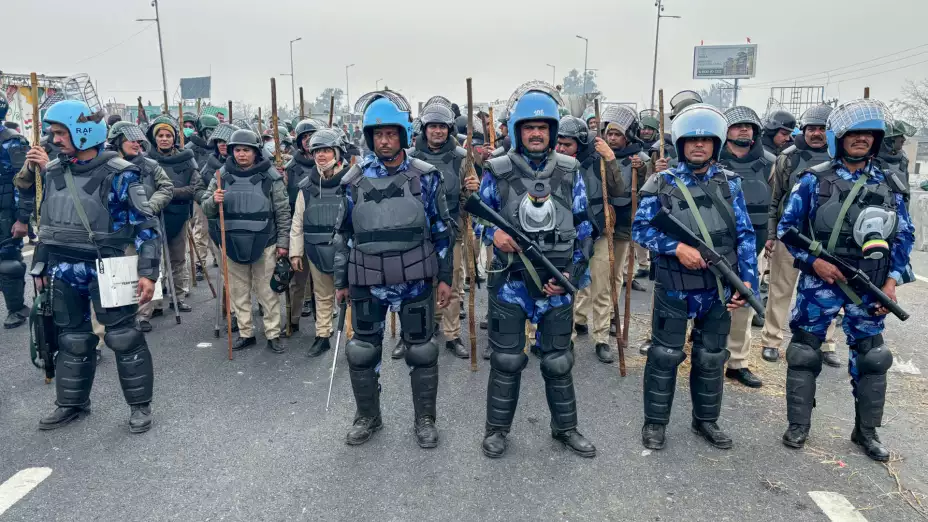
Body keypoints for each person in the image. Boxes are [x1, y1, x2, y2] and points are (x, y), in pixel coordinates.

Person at [778, 99, 913, 461]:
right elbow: (787, 229)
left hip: (870, 284)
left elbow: (904, 236)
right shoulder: (813, 179)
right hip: (821, 282)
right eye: (854, 133)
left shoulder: (890, 183)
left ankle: (866, 432)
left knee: (873, 357)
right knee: (804, 352)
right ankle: (798, 425)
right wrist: (814, 262)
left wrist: (893, 281)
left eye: (868, 134)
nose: (861, 139)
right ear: (839, 137)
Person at [19, 100, 159, 432]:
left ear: (82, 131)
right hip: (64, 268)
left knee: (124, 338)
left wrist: (148, 273)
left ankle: (139, 407)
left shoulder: (121, 173)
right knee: (72, 340)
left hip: (109, 267)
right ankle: (72, 403)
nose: (55, 140)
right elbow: (48, 223)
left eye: (60, 133)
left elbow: (146, 225)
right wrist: (40, 267)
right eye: (54, 133)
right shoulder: (54, 171)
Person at [478, 83, 596, 459]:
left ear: (552, 131)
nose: (535, 133)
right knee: (507, 361)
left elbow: (585, 229)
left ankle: (566, 428)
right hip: (511, 282)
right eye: (528, 127)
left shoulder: (570, 170)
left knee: (558, 360)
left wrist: (572, 277)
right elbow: (480, 217)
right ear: (517, 130)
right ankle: (497, 430)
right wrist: (493, 234)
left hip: (556, 282)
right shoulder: (497, 170)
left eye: (542, 127)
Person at [333, 90, 455, 448]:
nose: (384, 141)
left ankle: (425, 420)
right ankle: (367, 417)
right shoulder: (352, 181)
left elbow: (442, 230)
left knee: (422, 351)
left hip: (415, 278)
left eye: (390, 133)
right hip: (367, 279)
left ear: (403, 135)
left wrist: (445, 277)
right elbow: (343, 235)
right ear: (369, 137)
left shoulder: (426, 177)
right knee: (362, 351)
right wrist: (340, 281)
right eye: (378, 134)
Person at [634, 103, 758, 451]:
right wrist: (676, 248)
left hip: (718, 286)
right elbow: (641, 229)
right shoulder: (661, 183)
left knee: (711, 356)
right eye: (691, 140)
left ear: (715, 144)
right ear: (681, 144)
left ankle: (706, 420)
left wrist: (747, 281)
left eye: (705, 140)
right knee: (665, 355)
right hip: (675, 285)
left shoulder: (730, 184)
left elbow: (745, 235)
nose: (698, 145)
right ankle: (655, 423)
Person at [761, 104, 841, 366]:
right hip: (791, 235)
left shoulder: (840, 157)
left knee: (827, 291)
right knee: (780, 289)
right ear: (803, 130)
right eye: (811, 128)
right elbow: (776, 200)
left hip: (825, 240)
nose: (816, 133)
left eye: (822, 129)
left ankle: (826, 343)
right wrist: (772, 235)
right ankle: (771, 341)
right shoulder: (788, 158)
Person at [202, 129, 291, 352]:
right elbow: (206, 208)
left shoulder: (271, 176)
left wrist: (283, 243)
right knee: (238, 291)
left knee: (267, 292)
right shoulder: (221, 176)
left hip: (265, 240)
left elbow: (282, 211)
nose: (241, 154)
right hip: (232, 240)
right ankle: (245, 333)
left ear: (255, 152)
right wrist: (213, 200)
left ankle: (272, 334)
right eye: (238, 150)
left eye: (246, 150)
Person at [555, 115, 625, 363]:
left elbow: (618, 190)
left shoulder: (599, 161)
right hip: (567, 236)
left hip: (598, 233)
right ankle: (567, 337)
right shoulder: (554, 163)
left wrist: (611, 159)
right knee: (568, 287)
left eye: (567, 144)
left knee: (602, 289)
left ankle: (602, 338)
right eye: (559, 143)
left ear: (581, 142)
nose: (561, 148)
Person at [717, 106, 775, 388]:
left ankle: (737, 362)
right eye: (737, 125)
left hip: (753, 246)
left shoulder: (770, 164)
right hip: (715, 244)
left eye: (749, 126)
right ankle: (707, 355)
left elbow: (776, 202)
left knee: (744, 305)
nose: (744, 129)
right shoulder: (712, 161)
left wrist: (772, 236)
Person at [407, 102, 471, 359]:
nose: (437, 131)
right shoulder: (410, 157)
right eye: (432, 126)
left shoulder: (461, 158)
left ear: (449, 129)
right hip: (417, 233)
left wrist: (472, 191)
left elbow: (468, 199)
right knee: (419, 284)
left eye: (442, 127)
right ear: (425, 129)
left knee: (450, 283)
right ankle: (421, 329)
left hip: (450, 231)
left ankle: (452, 335)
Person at [104, 122, 174, 332]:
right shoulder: (105, 166)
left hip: (143, 225)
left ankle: (144, 314)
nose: (136, 144)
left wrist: (149, 206)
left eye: (138, 141)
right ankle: (122, 315)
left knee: (146, 266)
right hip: (114, 228)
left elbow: (166, 187)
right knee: (118, 273)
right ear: (118, 142)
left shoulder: (151, 165)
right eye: (130, 140)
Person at [288, 129, 350, 356]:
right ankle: (322, 335)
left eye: (326, 150)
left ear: (337, 153)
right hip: (316, 248)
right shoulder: (306, 186)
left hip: (346, 249)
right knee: (322, 295)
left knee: (350, 295)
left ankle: (352, 339)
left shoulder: (352, 182)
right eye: (317, 151)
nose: (321, 155)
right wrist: (295, 252)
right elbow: (298, 221)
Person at [142, 116, 203, 316]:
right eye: (160, 135)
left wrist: (167, 193)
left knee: (178, 259)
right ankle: (155, 302)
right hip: (153, 216)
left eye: (168, 135)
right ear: (154, 138)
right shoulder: (146, 160)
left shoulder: (186, 158)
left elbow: (194, 188)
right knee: (154, 261)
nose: (164, 139)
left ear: (174, 138)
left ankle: (179, 297)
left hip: (178, 215)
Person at [601, 104, 650, 302]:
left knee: (616, 270)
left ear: (627, 136)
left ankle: (613, 311)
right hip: (602, 219)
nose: (612, 138)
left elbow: (646, 189)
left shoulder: (639, 158)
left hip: (623, 220)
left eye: (617, 134)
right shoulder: (600, 156)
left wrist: (643, 169)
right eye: (609, 134)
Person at [285, 118, 327, 326]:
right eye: (305, 137)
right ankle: (292, 320)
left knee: (323, 281)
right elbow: (285, 198)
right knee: (297, 280)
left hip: (322, 228)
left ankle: (323, 321)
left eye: (312, 136)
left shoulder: (329, 165)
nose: (308, 141)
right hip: (299, 224)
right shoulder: (291, 167)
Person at [0, 93, 31, 329]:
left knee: (8, 262)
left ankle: (16, 309)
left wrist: (23, 219)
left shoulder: (13, 141)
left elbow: (25, 183)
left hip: (7, 213)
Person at [878, 119, 916, 211]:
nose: (904, 139)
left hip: (902, 210)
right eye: (900, 136)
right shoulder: (872, 161)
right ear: (889, 139)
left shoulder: (903, 159)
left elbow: (906, 187)